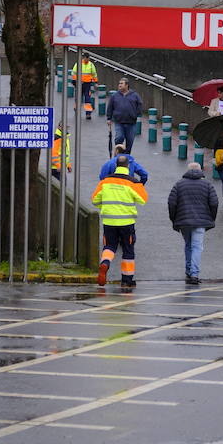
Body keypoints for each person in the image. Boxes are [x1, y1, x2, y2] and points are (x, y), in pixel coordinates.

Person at [92, 155, 148, 290]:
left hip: (109, 221)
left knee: (109, 247)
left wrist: (104, 207)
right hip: (126, 222)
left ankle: (105, 263)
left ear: (116, 165)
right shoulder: (133, 182)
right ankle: (126, 280)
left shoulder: (105, 181)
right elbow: (143, 199)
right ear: (128, 166)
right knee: (128, 250)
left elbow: (95, 200)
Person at [168, 161, 218, 285]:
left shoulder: (179, 185)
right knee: (197, 247)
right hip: (201, 222)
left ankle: (188, 271)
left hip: (184, 221)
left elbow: (171, 203)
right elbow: (214, 203)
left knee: (188, 245)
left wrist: (174, 219)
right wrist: (211, 218)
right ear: (200, 170)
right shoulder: (207, 185)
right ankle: (194, 274)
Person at [106, 76, 143, 153]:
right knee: (119, 137)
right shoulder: (115, 96)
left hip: (131, 123)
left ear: (127, 85)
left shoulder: (135, 95)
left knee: (130, 141)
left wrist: (136, 114)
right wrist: (109, 118)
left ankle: (127, 158)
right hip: (119, 122)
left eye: (121, 84)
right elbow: (110, 107)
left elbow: (140, 105)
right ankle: (118, 153)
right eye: (119, 84)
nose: (119, 85)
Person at [71, 52, 98, 120]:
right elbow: (73, 73)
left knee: (87, 98)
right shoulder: (78, 64)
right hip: (79, 83)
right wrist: (75, 81)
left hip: (87, 84)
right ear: (84, 58)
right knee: (78, 97)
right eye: (86, 58)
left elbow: (94, 74)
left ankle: (88, 114)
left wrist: (96, 82)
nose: (87, 60)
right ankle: (76, 109)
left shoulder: (91, 65)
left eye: (88, 58)